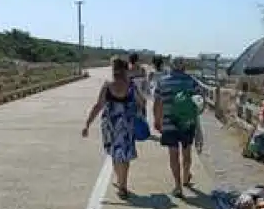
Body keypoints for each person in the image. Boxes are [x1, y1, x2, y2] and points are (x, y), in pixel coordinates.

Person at [82, 56, 147, 199]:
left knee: (115, 153)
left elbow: (98, 106)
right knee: (125, 156)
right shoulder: (131, 86)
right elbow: (142, 103)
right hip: (127, 125)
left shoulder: (107, 85)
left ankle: (120, 183)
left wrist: (87, 124)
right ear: (125, 70)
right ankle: (123, 185)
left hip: (110, 125)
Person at [153, 56, 200, 198]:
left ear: (171, 67)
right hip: (187, 123)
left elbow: (157, 103)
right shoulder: (191, 81)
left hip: (169, 123)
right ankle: (186, 177)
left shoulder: (162, 82)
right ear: (184, 67)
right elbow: (198, 103)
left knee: (173, 154)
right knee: (186, 152)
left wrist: (157, 120)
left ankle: (178, 186)